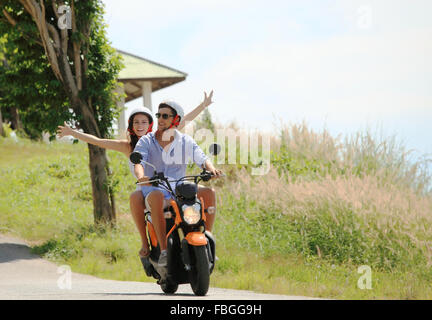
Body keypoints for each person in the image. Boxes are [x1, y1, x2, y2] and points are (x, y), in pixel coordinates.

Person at [57, 91, 214, 259]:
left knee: (205, 194)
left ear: (150, 124)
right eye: (136, 122)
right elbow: (98, 141)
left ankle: (207, 242)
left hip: (170, 185)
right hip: (147, 186)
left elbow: (182, 120)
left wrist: (203, 106)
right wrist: (73, 133)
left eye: (144, 122)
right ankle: (147, 244)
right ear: (131, 125)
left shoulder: (160, 137)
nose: (140, 125)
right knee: (135, 197)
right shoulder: (129, 146)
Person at [133, 101, 222, 267]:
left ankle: (207, 240)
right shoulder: (146, 141)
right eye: (159, 115)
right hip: (154, 188)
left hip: (179, 188)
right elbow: (138, 161)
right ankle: (165, 251)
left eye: (165, 116)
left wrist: (211, 170)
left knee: (209, 193)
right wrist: (142, 176)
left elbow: (201, 158)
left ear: (176, 119)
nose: (160, 119)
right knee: (157, 197)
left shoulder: (185, 141)